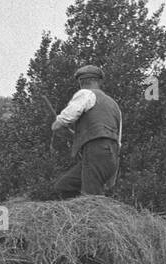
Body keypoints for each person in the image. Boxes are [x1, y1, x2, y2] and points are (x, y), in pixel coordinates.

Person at [50, 65, 122, 198]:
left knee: (91, 196)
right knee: (64, 185)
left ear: (80, 82)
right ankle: (74, 216)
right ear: (99, 82)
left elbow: (68, 116)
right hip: (110, 156)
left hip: (96, 150)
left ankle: (96, 218)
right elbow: (118, 141)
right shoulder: (114, 105)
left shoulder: (86, 94)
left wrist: (56, 124)